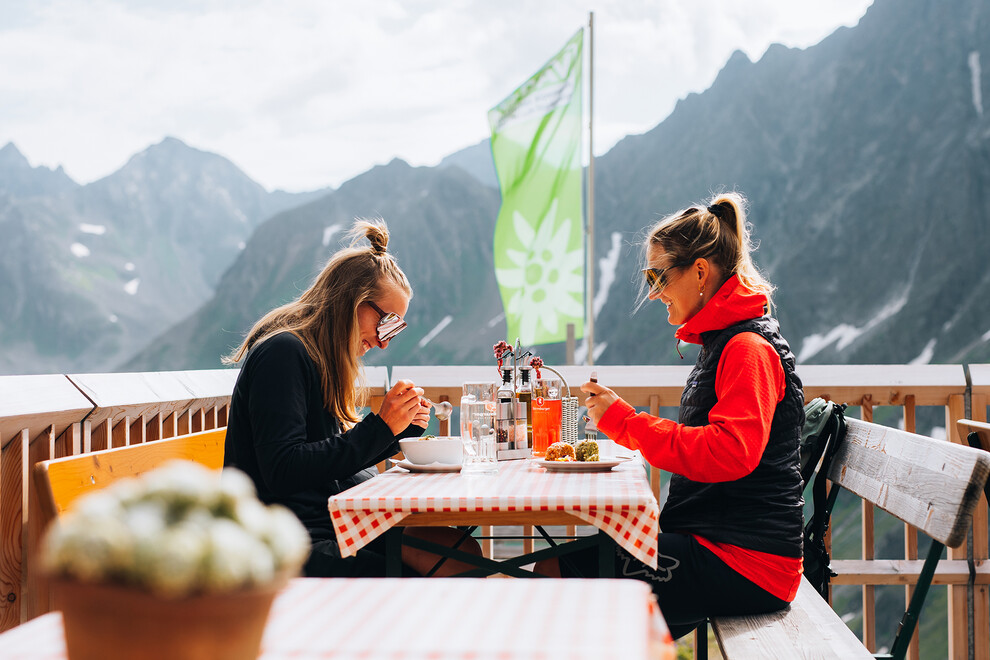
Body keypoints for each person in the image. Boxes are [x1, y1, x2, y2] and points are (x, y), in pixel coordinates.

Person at [537, 192, 805, 639]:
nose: (654, 291)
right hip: (727, 548)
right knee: (569, 581)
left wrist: (627, 423)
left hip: (744, 562)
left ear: (700, 271)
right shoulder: (726, 342)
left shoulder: (746, 349)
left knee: (553, 573)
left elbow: (730, 453)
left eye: (658, 276)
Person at [223, 218, 481, 577]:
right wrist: (380, 428)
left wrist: (397, 431)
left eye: (395, 328)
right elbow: (284, 469)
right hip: (291, 538)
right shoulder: (283, 354)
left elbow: (329, 458)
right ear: (352, 300)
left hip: (337, 519)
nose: (384, 340)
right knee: (443, 566)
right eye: (386, 321)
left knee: (462, 550)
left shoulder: (316, 358)